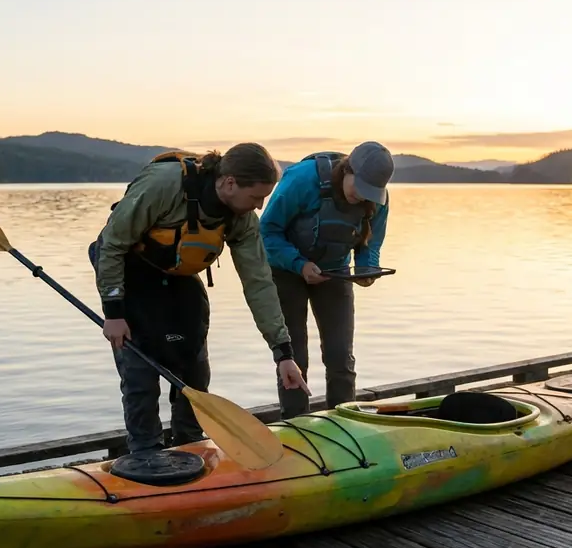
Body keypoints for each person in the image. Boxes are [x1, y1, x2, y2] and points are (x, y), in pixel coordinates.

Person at [88, 142, 310, 454]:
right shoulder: (163, 186)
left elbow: (258, 282)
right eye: (256, 197)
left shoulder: (241, 217)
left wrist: (283, 352)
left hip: (179, 275)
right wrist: (113, 312)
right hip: (129, 271)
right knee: (140, 373)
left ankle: (190, 444)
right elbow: (112, 245)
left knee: (194, 367)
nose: (260, 206)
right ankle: (145, 451)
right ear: (229, 182)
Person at [258, 141, 394, 419]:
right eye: (360, 187)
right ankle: (297, 425)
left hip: (336, 273)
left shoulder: (378, 199)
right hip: (286, 272)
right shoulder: (302, 180)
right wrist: (299, 264)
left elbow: (372, 242)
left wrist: (367, 268)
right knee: (295, 357)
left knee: (340, 357)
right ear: (348, 170)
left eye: (371, 192)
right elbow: (267, 231)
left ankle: (346, 423)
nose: (362, 196)